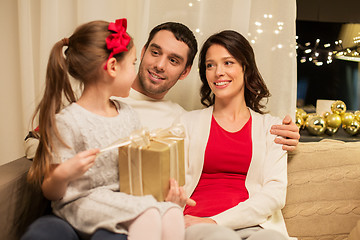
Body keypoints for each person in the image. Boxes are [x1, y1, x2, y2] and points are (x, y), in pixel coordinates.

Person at [22, 22, 299, 240]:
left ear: (186, 71)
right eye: (155, 52)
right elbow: (40, 142)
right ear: (140, 53)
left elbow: (164, 173)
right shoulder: (93, 99)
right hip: (84, 204)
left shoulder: (176, 117)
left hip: (133, 212)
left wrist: (291, 136)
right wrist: (59, 162)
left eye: (174, 60)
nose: (160, 65)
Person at [23, 19, 185, 240]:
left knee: (173, 212)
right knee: (147, 214)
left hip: (117, 199)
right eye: (132, 64)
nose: (135, 72)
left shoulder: (128, 114)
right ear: (111, 68)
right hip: (80, 203)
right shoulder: (68, 121)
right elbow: (51, 191)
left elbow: (137, 167)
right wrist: (63, 173)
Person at [174, 30, 291, 240]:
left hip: (254, 225)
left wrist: (218, 220)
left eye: (228, 63)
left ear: (245, 68)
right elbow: (172, 183)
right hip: (197, 222)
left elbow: (275, 194)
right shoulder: (186, 123)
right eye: (210, 65)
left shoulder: (271, 128)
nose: (218, 72)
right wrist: (208, 223)